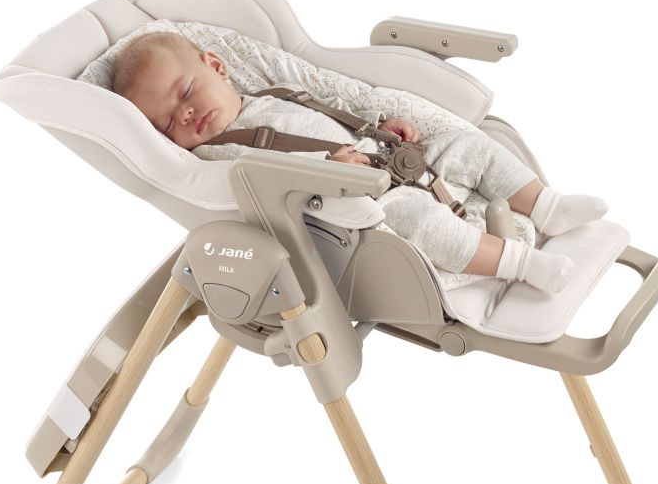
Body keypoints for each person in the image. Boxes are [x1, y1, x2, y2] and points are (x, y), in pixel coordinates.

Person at [112, 32, 609, 294]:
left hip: (392, 155)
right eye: (167, 122)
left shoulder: (276, 91)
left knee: (469, 145)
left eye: (185, 92)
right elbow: (264, 178)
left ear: (217, 67)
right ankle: (521, 264)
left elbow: (334, 109)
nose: (186, 114)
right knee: (422, 222)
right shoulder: (217, 152)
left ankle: (546, 205)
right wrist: (330, 168)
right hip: (363, 199)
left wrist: (381, 124)